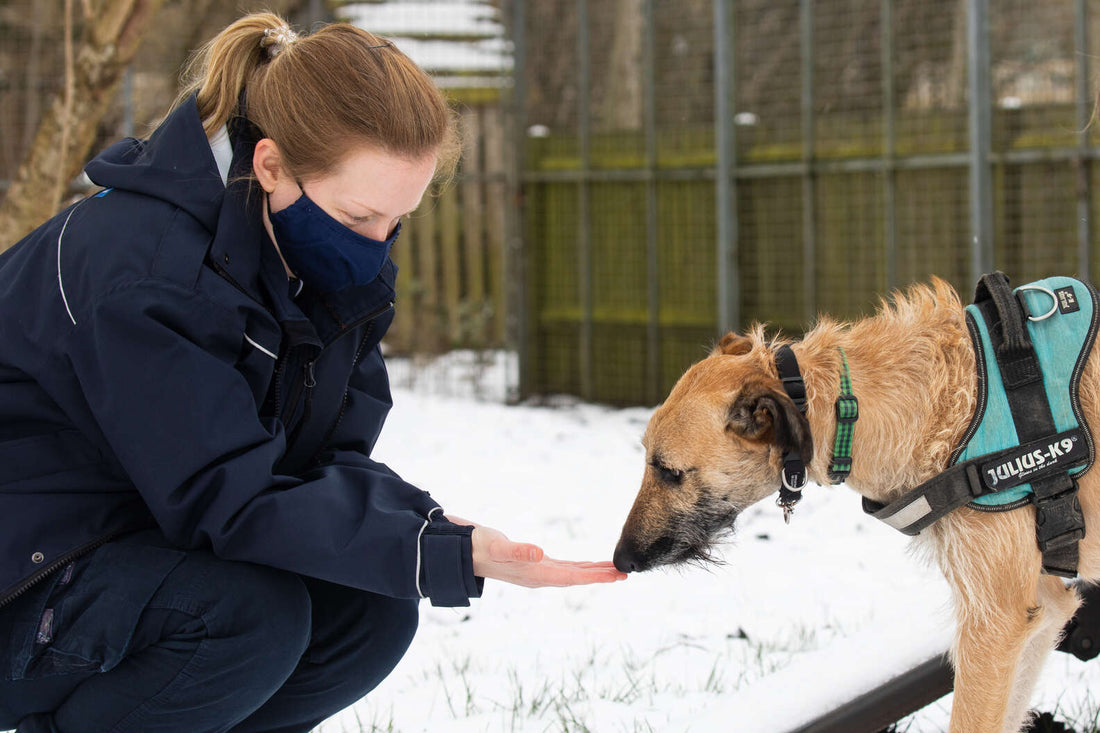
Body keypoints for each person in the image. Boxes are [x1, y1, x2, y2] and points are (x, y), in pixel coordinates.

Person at [0, 12, 626, 733]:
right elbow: (225, 495)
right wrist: (433, 549)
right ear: (270, 166)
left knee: (370, 610)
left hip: (122, 544)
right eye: (360, 214)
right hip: (29, 570)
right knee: (241, 622)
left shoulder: (307, 260)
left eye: (398, 219)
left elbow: (316, 466)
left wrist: (433, 536)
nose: (377, 243)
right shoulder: (143, 272)